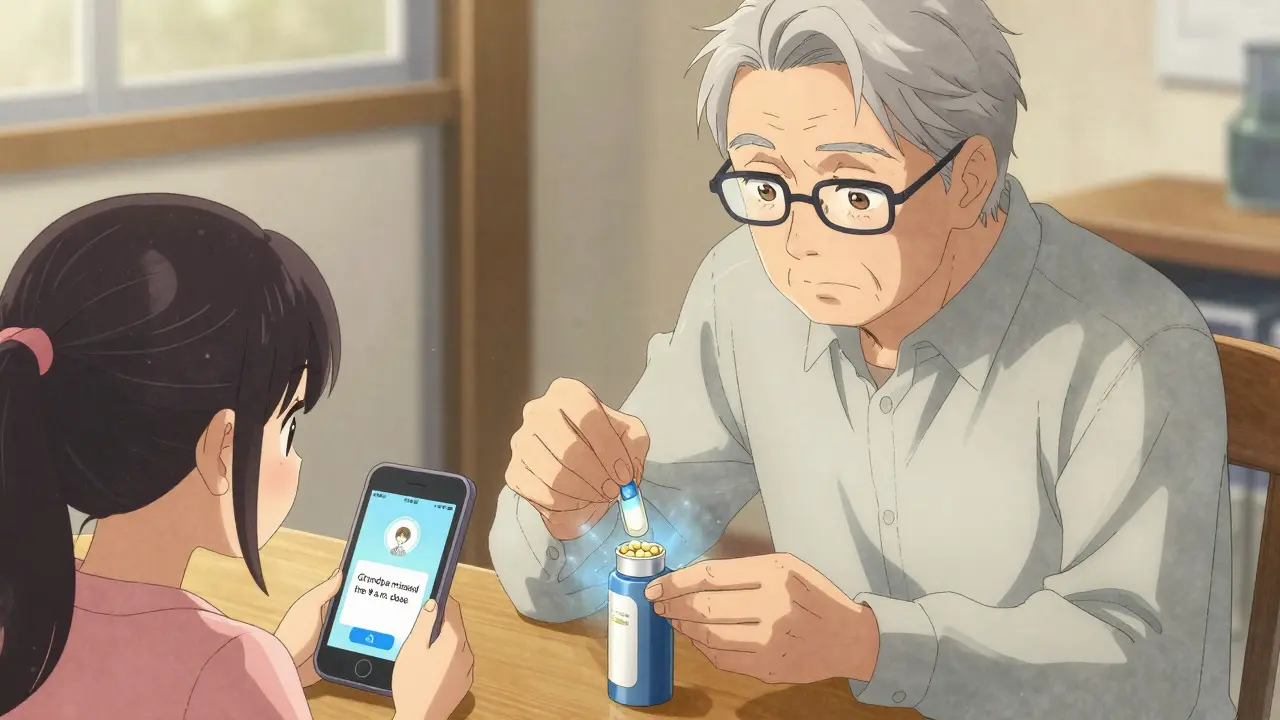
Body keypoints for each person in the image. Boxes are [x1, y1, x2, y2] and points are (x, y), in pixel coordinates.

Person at [489, 1, 1234, 718]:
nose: (798, 238)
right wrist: (570, 515)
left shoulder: (1130, 343)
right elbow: (609, 557)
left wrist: (870, 644)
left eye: (851, 192)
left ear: (969, 178)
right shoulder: (744, 292)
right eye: (764, 183)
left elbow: (1150, 678)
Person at [0, 194, 474, 720]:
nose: (297, 459)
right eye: (288, 424)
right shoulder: (230, 669)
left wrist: (274, 666)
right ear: (222, 449)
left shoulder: (20, 609)